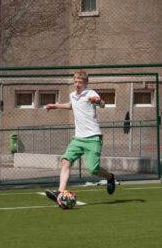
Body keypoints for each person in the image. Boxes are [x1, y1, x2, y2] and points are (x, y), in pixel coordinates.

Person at [44, 70, 116, 205]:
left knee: (93, 170)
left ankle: (110, 177)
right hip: (78, 139)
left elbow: (102, 104)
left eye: (80, 82)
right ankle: (60, 193)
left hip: (93, 137)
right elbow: (72, 105)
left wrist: (98, 101)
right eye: (76, 82)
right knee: (65, 161)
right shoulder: (73, 95)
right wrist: (55, 106)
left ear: (85, 83)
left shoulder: (90, 93)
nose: (77, 84)